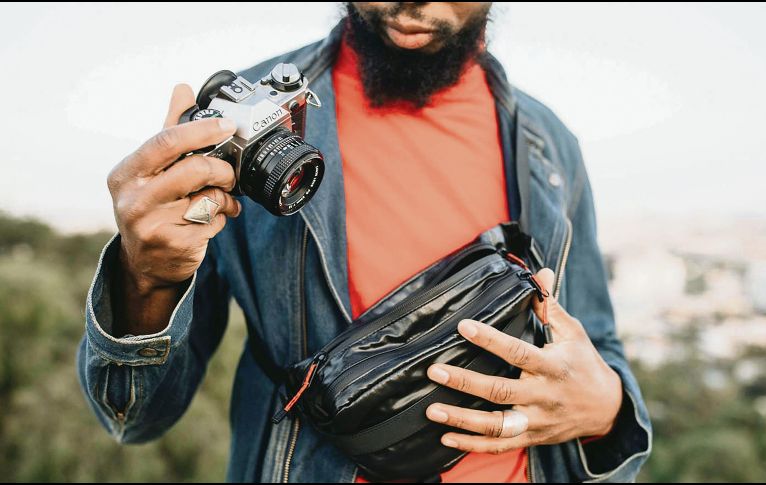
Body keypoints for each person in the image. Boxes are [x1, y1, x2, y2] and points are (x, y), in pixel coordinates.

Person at [77, 2, 651, 482]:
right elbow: (133, 416)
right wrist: (146, 276)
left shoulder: (551, 144)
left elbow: (595, 343)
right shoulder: (238, 124)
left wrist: (607, 408)